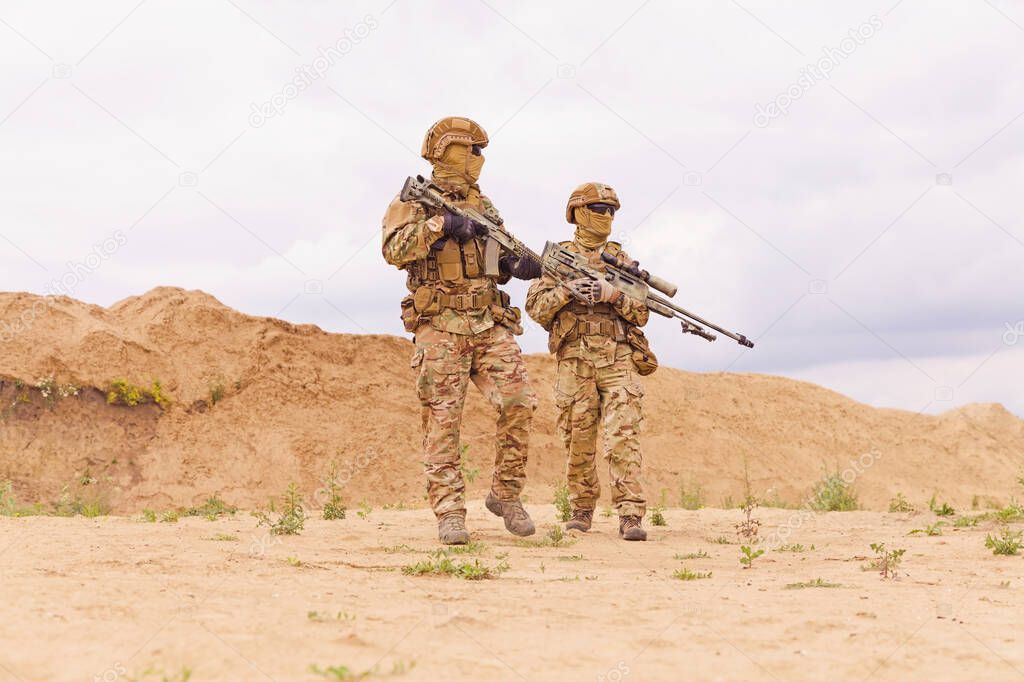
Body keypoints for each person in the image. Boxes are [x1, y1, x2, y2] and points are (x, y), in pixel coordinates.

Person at [381, 116, 542, 544]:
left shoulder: (485, 207)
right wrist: (442, 226)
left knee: (520, 402)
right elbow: (393, 250)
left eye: (480, 151)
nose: (476, 159)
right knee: (442, 421)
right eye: (467, 149)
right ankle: (450, 512)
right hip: (440, 326)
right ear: (441, 151)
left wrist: (515, 266)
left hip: (488, 322)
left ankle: (505, 494)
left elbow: (493, 263)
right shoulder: (413, 201)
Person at [525, 182, 651, 541]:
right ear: (579, 213)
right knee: (577, 437)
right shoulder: (557, 258)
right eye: (599, 209)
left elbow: (641, 312)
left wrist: (613, 295)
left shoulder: (621, 259)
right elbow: (535, 307)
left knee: (623, 436)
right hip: (575, 358)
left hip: (617, 356)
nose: (607, 216)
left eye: (612, 210)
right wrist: (568, 291)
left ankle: (630, 513)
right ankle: (581, 508)